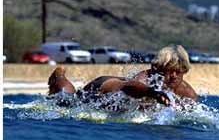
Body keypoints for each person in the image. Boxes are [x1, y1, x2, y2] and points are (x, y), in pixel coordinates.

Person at [47, 45, 198, 106]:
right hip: (102, 87)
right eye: (168, 70)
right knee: (66, 102)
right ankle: (59, 75)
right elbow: (130, 87)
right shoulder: (146, 78)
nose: (173, 76)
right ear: (158, 68)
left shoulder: (188, 94)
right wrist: (153, 93)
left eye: (178, 71)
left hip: (120, 87)